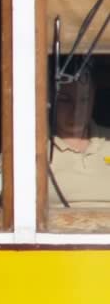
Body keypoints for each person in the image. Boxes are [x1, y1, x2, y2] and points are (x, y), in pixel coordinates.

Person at [48, 66, 110, 206]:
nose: (76, 111)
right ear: (49, 100)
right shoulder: (27, 145)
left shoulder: (108, 139)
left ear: (93, 99)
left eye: (84, 99)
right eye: (65, 100)